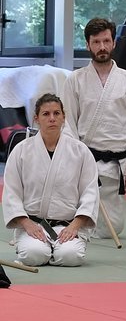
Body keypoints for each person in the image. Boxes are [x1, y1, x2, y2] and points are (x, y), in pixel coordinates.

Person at [61, 17, 126, 238]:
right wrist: (75, 163)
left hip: (116, 166)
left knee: (113, 229)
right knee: (80, 227)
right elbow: (68, 125)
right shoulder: (75, 80)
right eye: (96, 42)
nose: (102, 47)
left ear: (114, 43)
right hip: (85, 163)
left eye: (106, 41)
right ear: (88, 44)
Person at [2, 93, 99, 267]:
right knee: (33, 255)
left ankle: (56, 248)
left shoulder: (80, 151)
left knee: (71, 256)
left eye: (56, 113)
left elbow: (90, 191)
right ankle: (44, 248)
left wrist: (75, 226)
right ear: (36, 118)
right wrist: (25, 223)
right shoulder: (21, 151)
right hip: (34, 224)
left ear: (64, 117)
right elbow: (12, 192)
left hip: (66, 225)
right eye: (46, 114)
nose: (52, 118)